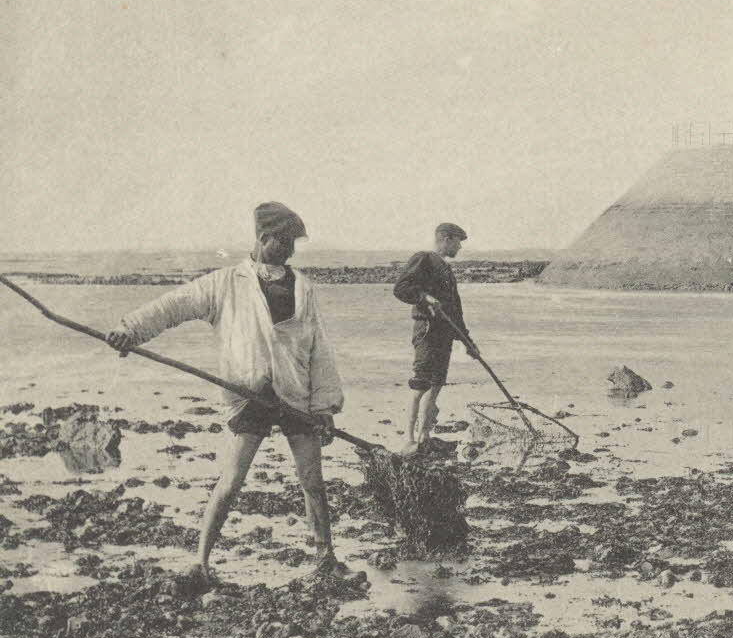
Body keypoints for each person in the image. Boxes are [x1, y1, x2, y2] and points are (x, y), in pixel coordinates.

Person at [105, 202, 355, 585]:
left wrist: (325, 406)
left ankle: (325, 559)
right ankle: (201, 563)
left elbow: (319, 348)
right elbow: (172, 306)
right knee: (232, 481)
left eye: (293, 244)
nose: (290, 250)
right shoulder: (225, 283)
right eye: (284, 242)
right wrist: (130, 329)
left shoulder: (303, 287)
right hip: (250, 395)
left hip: (295, 395)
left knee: (313, 480)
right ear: (263, 238)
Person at [392, 222, 479, 456]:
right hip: (428, 331)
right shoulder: (424, 259)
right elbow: (401, 288)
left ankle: (424, 437)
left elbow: (455, 313)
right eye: (458, 241)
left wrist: (468, 342)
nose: (460, 247)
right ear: (446, 239)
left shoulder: (447, 272)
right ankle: (409, 440)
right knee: (421, 383)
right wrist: (425, 298)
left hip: (445, 335)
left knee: (437, 383)